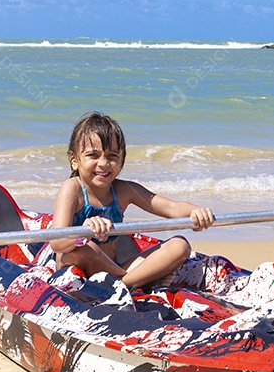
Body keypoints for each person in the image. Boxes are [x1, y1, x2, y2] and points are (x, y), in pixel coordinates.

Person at [49, 111, 214, 290]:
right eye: (93, 155)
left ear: (122, 160)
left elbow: (171, 207)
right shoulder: (72, 188)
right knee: (86, 249)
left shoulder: (124, 190)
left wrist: (195, 212)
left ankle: (123, 285)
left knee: (180, 245)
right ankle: (136, 282)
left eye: (112, 156)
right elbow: (57, 242)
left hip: (115, 272)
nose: (103, 163)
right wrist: (83, 233)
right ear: (74, 160)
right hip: (77, 269)